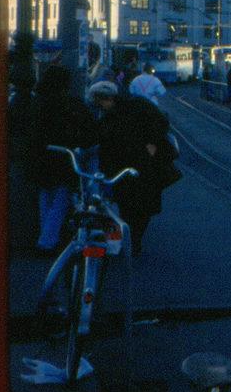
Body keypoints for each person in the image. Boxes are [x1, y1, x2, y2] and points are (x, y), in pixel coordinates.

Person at [90, 80, 180, 255]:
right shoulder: (131, 106)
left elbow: (160, 122)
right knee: (137, 206)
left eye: (100, 102)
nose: (100, 107)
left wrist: (152, 143)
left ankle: (128, 242)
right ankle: (130, 242)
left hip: (137, 165)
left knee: (129, 205)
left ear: (106, 98)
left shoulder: (128, 108)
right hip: (132, 166)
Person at [26, 66, 98, 254]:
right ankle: (48, 240)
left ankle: (46, 238)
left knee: (46, 198)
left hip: (42, 158)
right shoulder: (70, 104)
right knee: (61, 199)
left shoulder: (37, 103)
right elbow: (87, 131)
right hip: (64, 158)